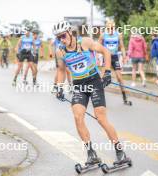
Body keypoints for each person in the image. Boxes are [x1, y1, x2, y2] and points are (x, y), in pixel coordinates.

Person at [54, 21, 130, 166]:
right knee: (77, 117)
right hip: (78, 85)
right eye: (59, 38)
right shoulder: (60, 52)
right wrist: (59, 87)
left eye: (63, 35)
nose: (62, 40)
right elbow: (61, 70)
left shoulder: (85, 42)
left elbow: (106, 52)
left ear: (70, 32)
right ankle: (91, 154)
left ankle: (120, 152)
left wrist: (107, 72)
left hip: (94, 82)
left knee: (100, 118)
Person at [98, 19, 131, 105]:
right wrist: (98, 57)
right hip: (106, 57)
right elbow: (97, 47)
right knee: (103, 78)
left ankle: (125, 98)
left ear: (114, 27)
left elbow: (122, 47)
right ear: (106, 28)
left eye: (112, 28)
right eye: (108, 28)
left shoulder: (118, 35)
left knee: (119, 78)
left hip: (115, 57)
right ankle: (99, 97)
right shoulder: (103, 35)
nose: (110, 30)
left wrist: (124, 56)